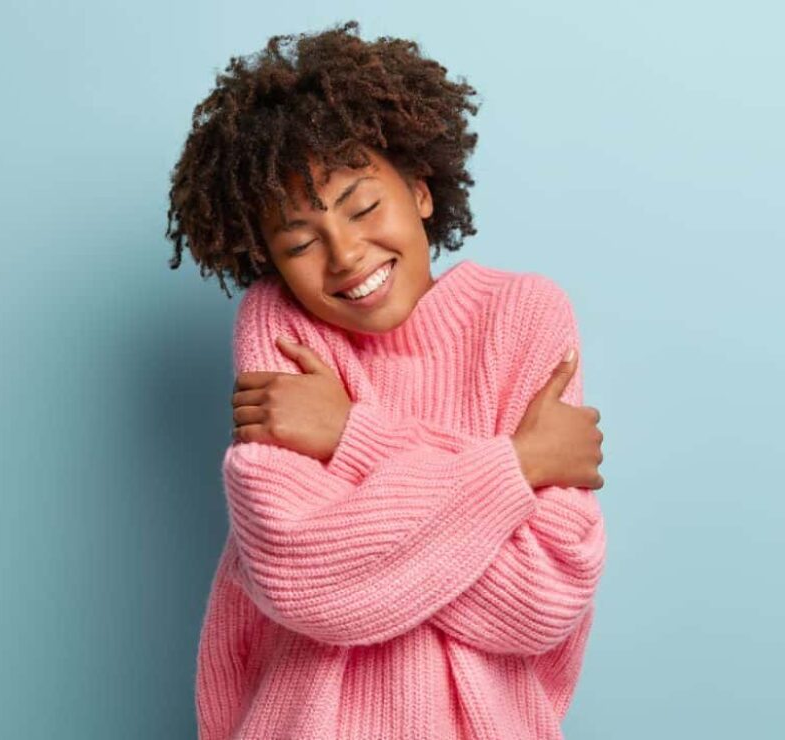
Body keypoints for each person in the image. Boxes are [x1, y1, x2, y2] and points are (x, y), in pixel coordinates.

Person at [166, 19, 606, 740]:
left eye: (364, 207)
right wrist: (516, 467)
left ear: (422, 191)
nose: (344, 256)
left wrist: (350, 436)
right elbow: (300, 574)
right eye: (301, 242)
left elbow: (542, 595)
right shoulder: (280, 325)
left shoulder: (525, 315)